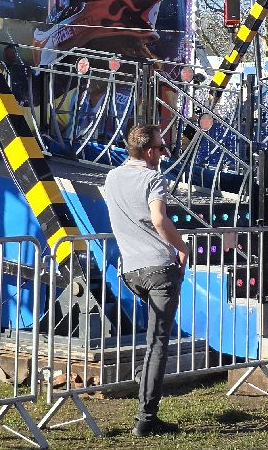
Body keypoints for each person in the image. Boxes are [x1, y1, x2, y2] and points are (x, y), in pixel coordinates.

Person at [103, 125, 189, 437]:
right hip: (158, 267)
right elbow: (158, 219)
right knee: (158, 342)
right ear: (150, 152)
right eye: (161, 147)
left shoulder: (112, 177)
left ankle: (145, 376)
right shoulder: (153, 178)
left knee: (153, 341)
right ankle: (146, 418)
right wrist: (182, 248)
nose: (164, 152)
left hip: (130, 271)